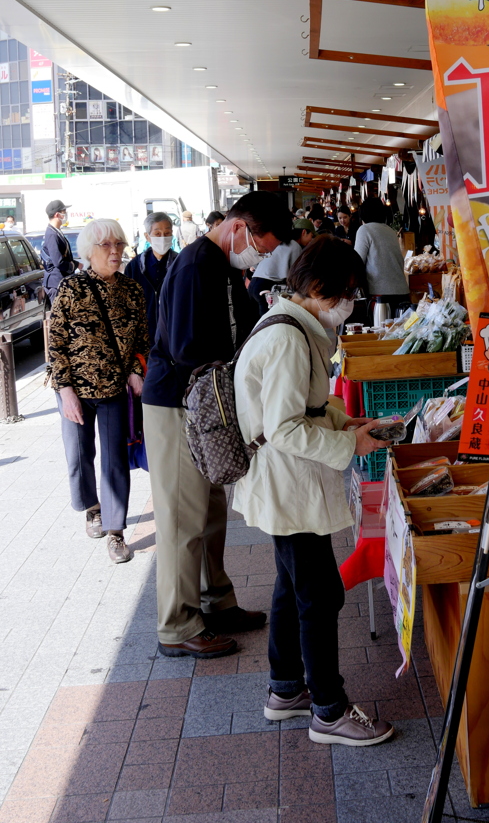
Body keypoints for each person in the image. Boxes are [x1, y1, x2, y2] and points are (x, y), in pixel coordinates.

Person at [233, 235, 394, 746]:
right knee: (319, 595)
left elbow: (303, 409)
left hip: (286, 481)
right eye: (346, 293)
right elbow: (283, 428)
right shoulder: (287, 337)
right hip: (287, 483)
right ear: (320, 288)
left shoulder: (293, 326)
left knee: (292, 586)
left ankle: (285, 689)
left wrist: (348, 424)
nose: (349, 304)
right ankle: (328, 709)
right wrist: (348, 446)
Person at [142, 191, 293, 659]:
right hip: (178, 403)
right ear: (237, 229)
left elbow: (245, 324)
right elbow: (188, 346)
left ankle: (216, 601)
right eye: (259, 247)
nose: (259, 257)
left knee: (209, 511)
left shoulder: (223, 265)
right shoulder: (194, 265)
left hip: (205, 402)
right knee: (181, 518)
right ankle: (177, 623)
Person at [48, 219, 149, 564]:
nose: (116, 251)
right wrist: (64, 391)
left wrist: (136, 371)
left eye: (119, 244)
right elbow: (56, 342)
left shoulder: (132, 291)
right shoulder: (70, 289)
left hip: (113, 391)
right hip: (75, 389)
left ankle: (116, 530)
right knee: (78, 457)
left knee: (114, 461)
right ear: (89, 252)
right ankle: (92, 508)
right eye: (106, 245)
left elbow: (143, 341)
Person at [124, 212, 178, 347]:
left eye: (167, 233)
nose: (163, 238)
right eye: (157, 234)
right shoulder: (135, 266)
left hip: (173, 333)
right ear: (147, 236)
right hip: (145, 336)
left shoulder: (180, 264)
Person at [354, 197, 410, 317]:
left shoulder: (364, 230)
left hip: (380, 295)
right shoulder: (390, 231)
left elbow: (357, 262)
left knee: (381, 333)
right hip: (403, 292)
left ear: (363, 213)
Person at [248, 230, 304, 318]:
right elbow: (295, 275)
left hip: (254, 283)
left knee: (254, 324)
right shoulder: (295, 246)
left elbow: (255, 264)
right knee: (267, 323)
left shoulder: (273, 242)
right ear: (303, 233)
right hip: (268, 287)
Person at [41, 200, 76, 306]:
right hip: (56, 282)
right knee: (60, 318)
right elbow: (58, 262)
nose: (65, 214)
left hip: (60, 282)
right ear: (57, 214)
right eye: (64, 211)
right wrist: (73, 265)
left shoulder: (56, 231)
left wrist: (78, 264)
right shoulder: (52, 234)